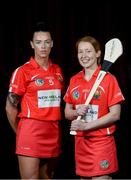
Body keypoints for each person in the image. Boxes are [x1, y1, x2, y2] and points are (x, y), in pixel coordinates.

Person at [5, 21, 64, 179]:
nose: (43, 46)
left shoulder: (57, 70)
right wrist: (21, 133)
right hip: (31, 132)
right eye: (38, 42)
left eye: (46, 42)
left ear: (52, 44)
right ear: (32, 45)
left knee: (47, 178)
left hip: (53, 132)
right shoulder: (23, 71)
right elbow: (10, 108)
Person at [63, 36, 125, 179]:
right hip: (80, 144)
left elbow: (115, 114)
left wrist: (87, 126)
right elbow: (67, 112)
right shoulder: (74, 80)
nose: (84, 56)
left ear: (98, 54)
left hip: (101, 142)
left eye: (88, 51)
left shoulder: (109, 79)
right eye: (80, 52)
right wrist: (75, 112)